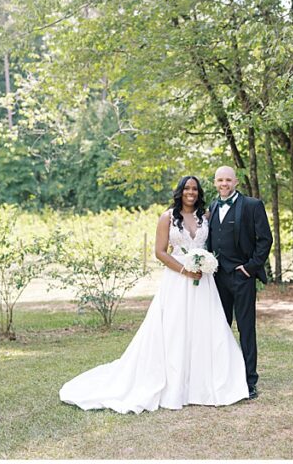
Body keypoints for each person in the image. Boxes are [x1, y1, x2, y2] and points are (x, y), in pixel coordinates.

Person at [60, 175, 248, 413]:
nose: (191, 192)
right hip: (178, 280)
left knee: (204, 329)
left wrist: (206, 264)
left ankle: (205, 383)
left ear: (199, 193)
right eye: (187, 188)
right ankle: (174, 384)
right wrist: (185, 270)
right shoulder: (167, 218)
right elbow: (160, 252)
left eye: (195, 189)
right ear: (180, 192)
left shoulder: (206, 216)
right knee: (175, 329)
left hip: (204, 281)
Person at [206, 166, 273, 400]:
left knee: (246, 329)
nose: (224, 184)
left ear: (236, 181)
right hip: (217, 277)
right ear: (215, 183)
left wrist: (250, 268)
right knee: (221, 328)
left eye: (228, 180)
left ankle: (249, 380)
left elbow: (265, 240)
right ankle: (223, 376)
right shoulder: (213, 207)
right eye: (220, 180)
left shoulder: (252, 205)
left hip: (241, 277)